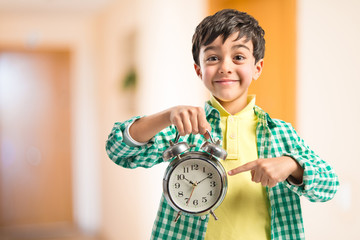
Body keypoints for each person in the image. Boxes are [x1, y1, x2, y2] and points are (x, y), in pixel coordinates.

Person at [106, 9, 339, 240]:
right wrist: (167, 116)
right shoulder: (185, 128)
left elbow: (329, 186)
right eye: (213, 58)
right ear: (199, 70)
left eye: (238, 57)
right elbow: (119, 151)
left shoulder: (281, 133)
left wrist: (292, 166)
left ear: (257, 68)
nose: (225, 67)